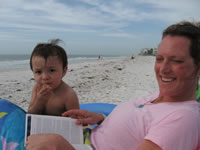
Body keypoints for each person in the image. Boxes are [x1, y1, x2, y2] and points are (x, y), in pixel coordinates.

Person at [26, 21, 200, 150]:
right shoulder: (163, 94)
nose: (163, 69)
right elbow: (139, 125)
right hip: (87, 138)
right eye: (160, 59)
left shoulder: (183, 118)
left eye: (176, 60)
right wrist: (103, 119)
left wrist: (63, 147)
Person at [28, 39, 79, 116]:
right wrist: (39, 101)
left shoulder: (68, 94)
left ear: (64, 71)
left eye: (51, 70)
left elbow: (76, 120)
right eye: (38, 72)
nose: (45, 77)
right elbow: (30, 114)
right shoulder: (36, 89)